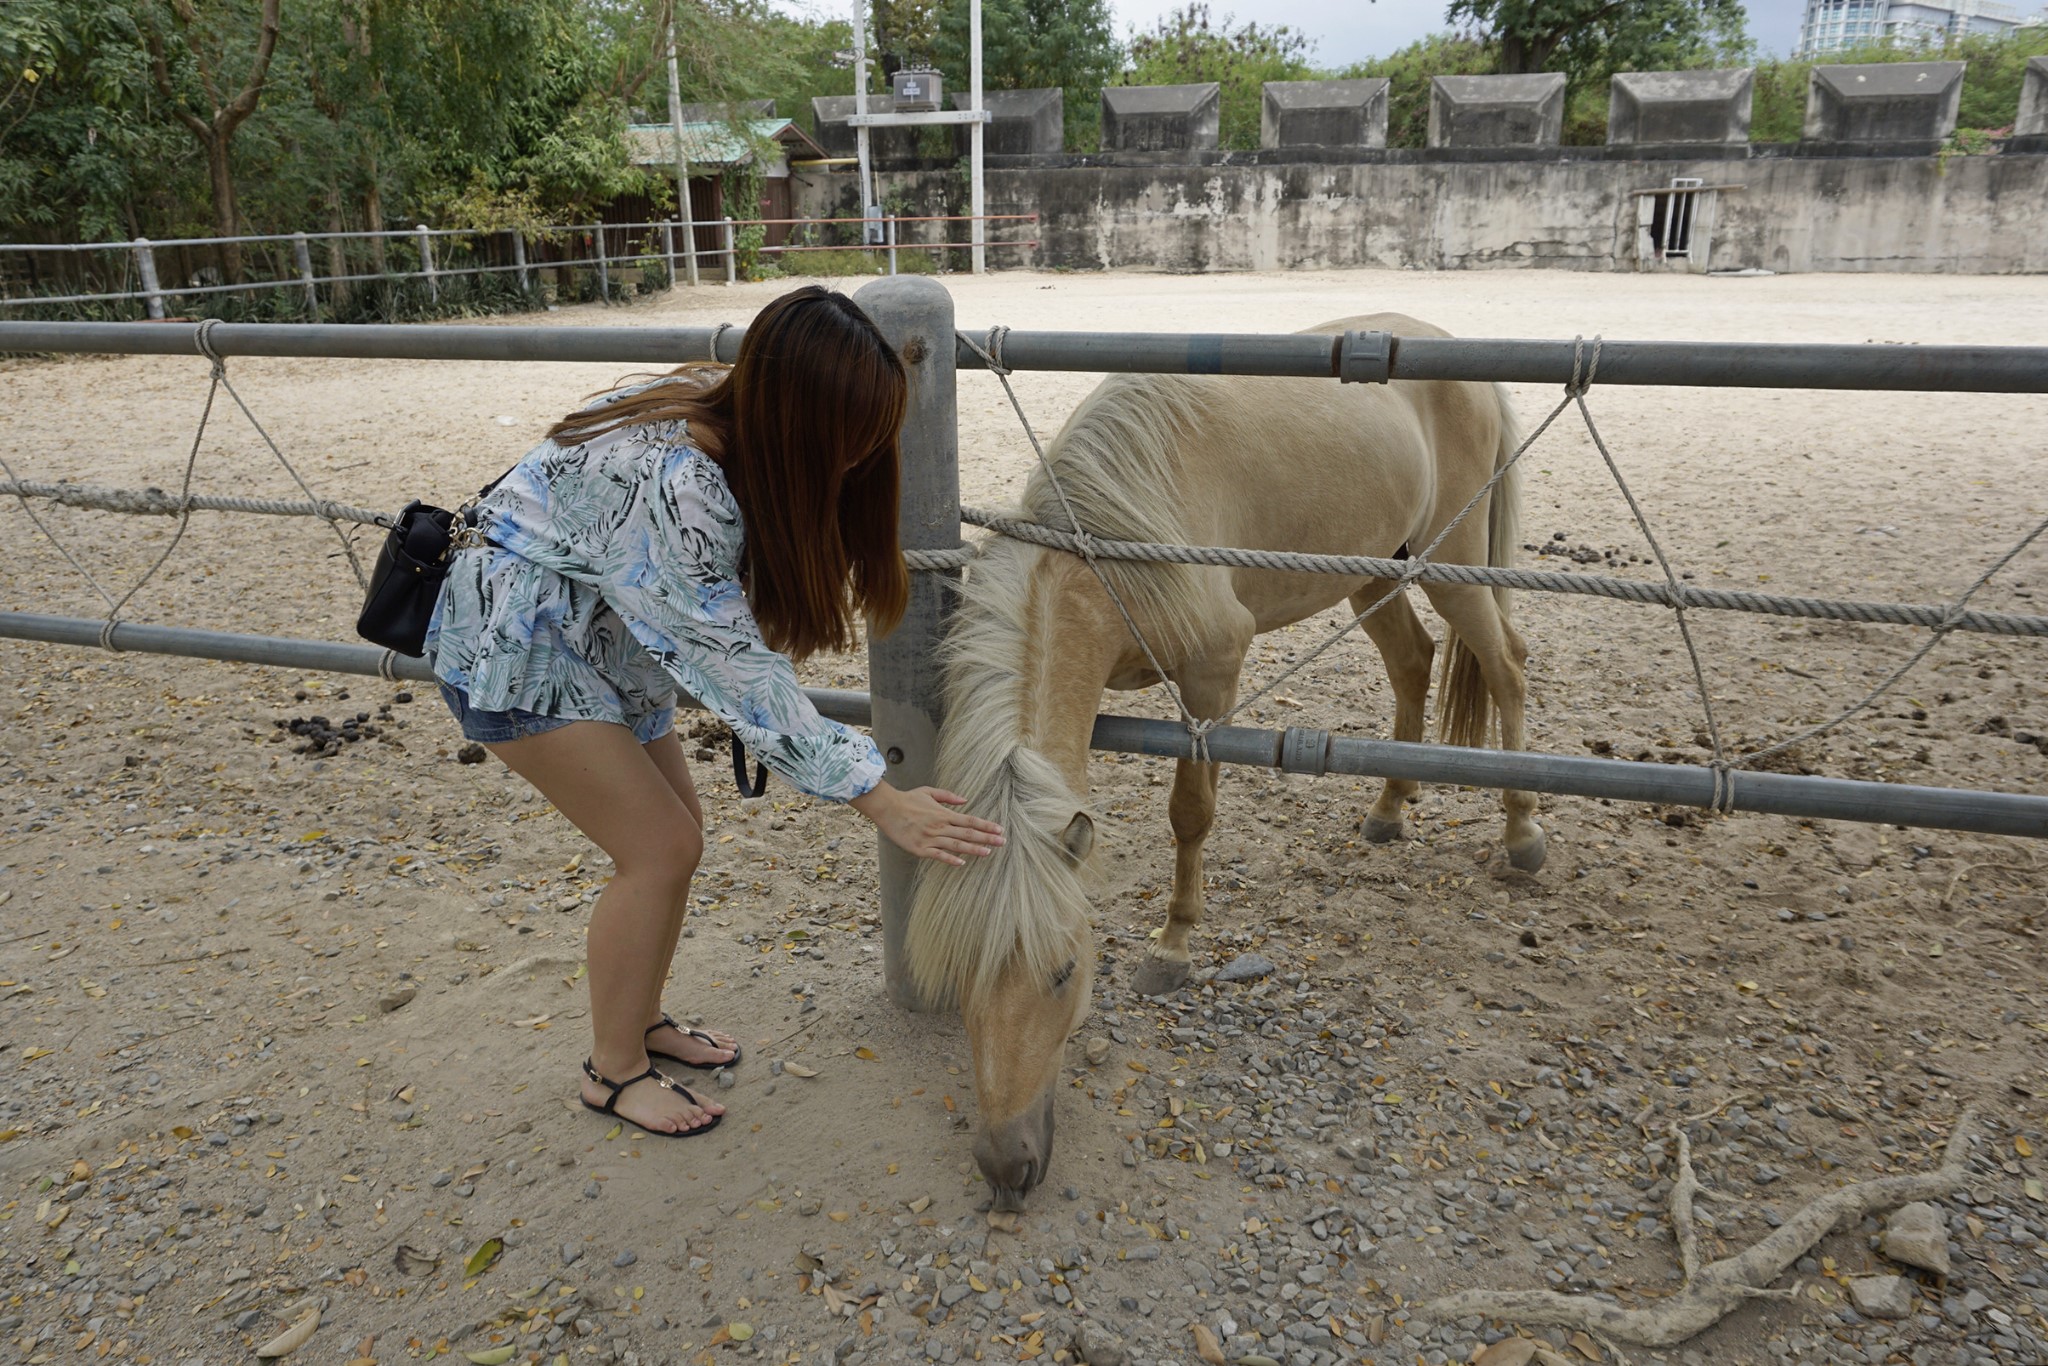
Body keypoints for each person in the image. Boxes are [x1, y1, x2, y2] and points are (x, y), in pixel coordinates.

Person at [425, 286, 1004, 1138]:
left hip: (602, 640)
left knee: (675, 834)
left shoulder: (712, 399)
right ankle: (612, 1071)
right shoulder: (679, 484)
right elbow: (733, 666)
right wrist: (880, 799)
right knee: (658, 848)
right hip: (519, 651)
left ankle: (639, 1018)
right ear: (796, 419)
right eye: (845, 442)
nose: (855, 461)